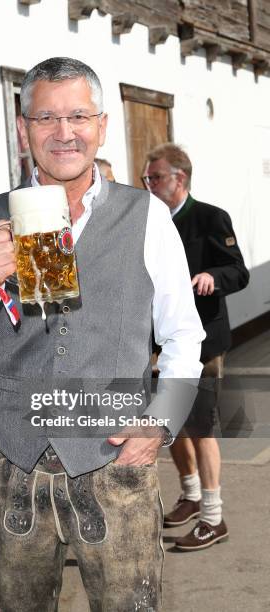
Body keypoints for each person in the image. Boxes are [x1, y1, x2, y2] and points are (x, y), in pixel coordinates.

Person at [0, 58, 205, 611]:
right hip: (14, 467)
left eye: (78, 115)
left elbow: (184, 335)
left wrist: (160, 423)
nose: (63, 131)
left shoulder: (147, 216)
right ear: (24, 127)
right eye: (46, 117)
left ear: (101, 125)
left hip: (114, 463)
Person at [144, 143, 249, 552]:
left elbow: (238, 271)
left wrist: (211, 276)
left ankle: (213, 517)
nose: (148, 185)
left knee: (201, 426)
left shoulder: (209, 217)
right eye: (146, 179)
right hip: (160, 342)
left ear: (179, 179)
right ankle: (190, 495)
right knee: (174, 423)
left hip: (204, 340)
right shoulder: (149, 221)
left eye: (155, 178)